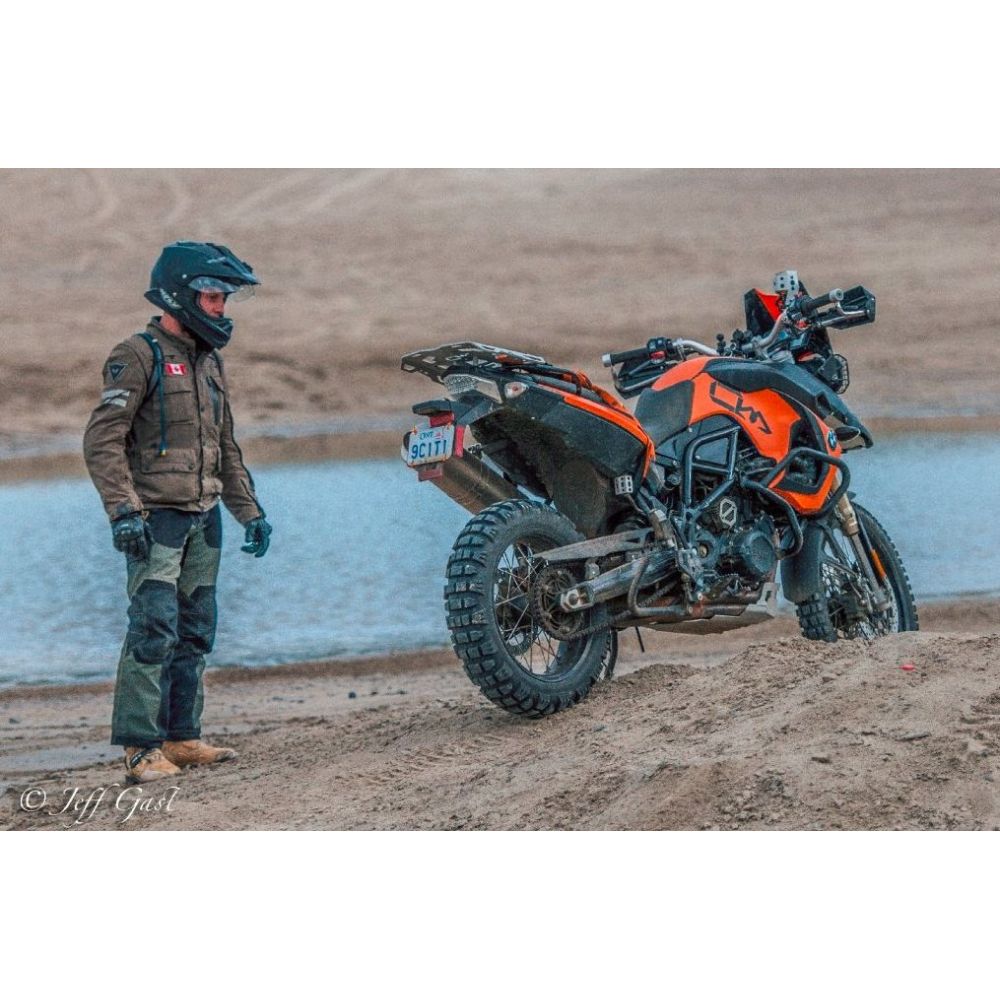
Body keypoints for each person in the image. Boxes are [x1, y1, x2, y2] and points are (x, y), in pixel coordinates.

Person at [83, 241, 273, 784]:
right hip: (157, 521)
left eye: (224, 298)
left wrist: (249, 512)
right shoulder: (137, 355)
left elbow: (225, 447)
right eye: (213, 296)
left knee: (195, 631)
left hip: (205, 518)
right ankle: (141, 749)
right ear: (180, 295)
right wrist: (123, 512)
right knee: (153, 628)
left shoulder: (210, 362)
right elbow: (102, 441)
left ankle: (181, 738)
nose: (220, 307)